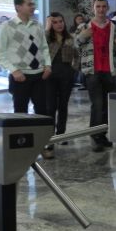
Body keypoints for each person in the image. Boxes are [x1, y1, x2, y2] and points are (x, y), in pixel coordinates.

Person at [75, 0, 116, 152]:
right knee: (97, 104)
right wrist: (83, 35)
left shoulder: (113, 27)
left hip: (109, 70)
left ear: (107, 8)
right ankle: (95, 136)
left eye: (103, 6)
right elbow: (75, 44)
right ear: (93, 8)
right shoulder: (84, 26)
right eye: (98, 6)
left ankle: (102, 135)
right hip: (92, 71)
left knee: (107, 105)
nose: (101, 9)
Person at [0, 0, 52, 120]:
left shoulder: (37, 25)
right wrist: (14, 70)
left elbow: (44, 47)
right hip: (20, 77)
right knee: (20, 113)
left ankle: (42, 133)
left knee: (43, 111)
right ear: (18, 7)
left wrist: (48, 65)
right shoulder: (7, 26)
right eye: (29, 4)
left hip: (40, 75)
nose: (33, 7)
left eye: (33, 4)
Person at [44, 13, 79, 158]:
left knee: (63, 105)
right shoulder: (46, 37)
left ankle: (61, 134)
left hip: (66, 75)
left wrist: (73, 69)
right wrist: (47, 28)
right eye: (55, 22)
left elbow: (77, 55)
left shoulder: (70, 38)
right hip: (50, 75)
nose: (59, 24)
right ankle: (49, 138)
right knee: (50, 107)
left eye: (61, 21)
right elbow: (40, 49)